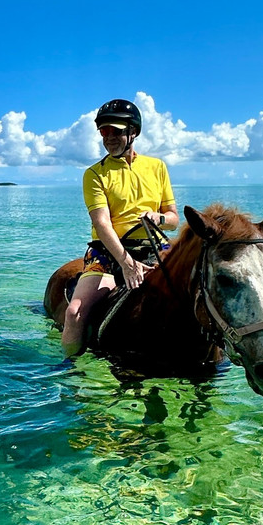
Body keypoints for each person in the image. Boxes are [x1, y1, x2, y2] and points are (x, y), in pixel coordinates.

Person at [62, 98, 178, 357]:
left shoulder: (157, 167)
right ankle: (70, 370)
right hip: (107, 253)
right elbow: (102, 223)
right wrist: (126, 264)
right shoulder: (94, 174)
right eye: (104, 131)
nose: (109, 137)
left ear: (133, 132)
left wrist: (158, 219)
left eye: (116, 130)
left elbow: (173, 219)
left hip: (154, 247)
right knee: (74, 312)